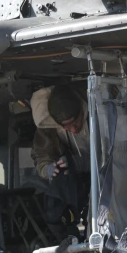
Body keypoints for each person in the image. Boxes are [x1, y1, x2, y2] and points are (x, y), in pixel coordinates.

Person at [30, 84, 91, 237]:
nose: (74, 130)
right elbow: (42, 155)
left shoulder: (99, 114)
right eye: (67, 127)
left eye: (76, 123)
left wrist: (80, 163)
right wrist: (49, 169)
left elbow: (116, 154)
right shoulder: (48, 126)